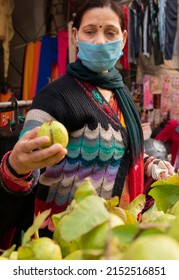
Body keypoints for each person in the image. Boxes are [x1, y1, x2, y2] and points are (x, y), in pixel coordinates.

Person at [0, 0, 174, 249]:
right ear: (75, 36)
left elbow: (123, 150)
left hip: (112, 238)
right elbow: (29, 157)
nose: (101, 41)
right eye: (90, 31)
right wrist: (16, 165)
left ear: (123, 39)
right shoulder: (54, 98)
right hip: (63, 242)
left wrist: (150, 164)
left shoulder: (120, 93)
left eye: (110, 32)